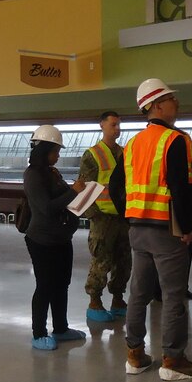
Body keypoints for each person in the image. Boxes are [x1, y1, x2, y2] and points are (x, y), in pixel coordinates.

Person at [109, 78, 192, 380]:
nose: (177, 103)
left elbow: (115, 186)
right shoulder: (176, 140)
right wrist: (186, 227)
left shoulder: (133, 143)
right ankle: (173, 361)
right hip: (167, 230)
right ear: (157, 105)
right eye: (172, 98)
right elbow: (183, 187)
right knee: (174, 295)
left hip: (138, 229)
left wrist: (131, 215)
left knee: (139, 293)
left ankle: (135, 356)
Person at [23, 124, 87, 351]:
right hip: (42, 241)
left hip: (61, 239)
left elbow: (63, 199)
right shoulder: (32, 175)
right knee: (45, 286)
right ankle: (38, 333)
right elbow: (46, 208)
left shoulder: (51, 172)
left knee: (62, 284)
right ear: (43, 150)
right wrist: (74, 192)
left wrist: (82, 194)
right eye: (55, 151)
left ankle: (60, 328)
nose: (58, 155)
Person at [79, 111, 131, 322]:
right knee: (101, 259)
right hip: (102, 218)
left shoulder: (125, 153)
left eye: (119, 125)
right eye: (113, 125)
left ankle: (118, 297)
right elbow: (84, 187)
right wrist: (94, 216)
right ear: (102, 125)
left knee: (124, 260)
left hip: (122, 216)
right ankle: (95, 301)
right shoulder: (92, 154)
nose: (117, 128)